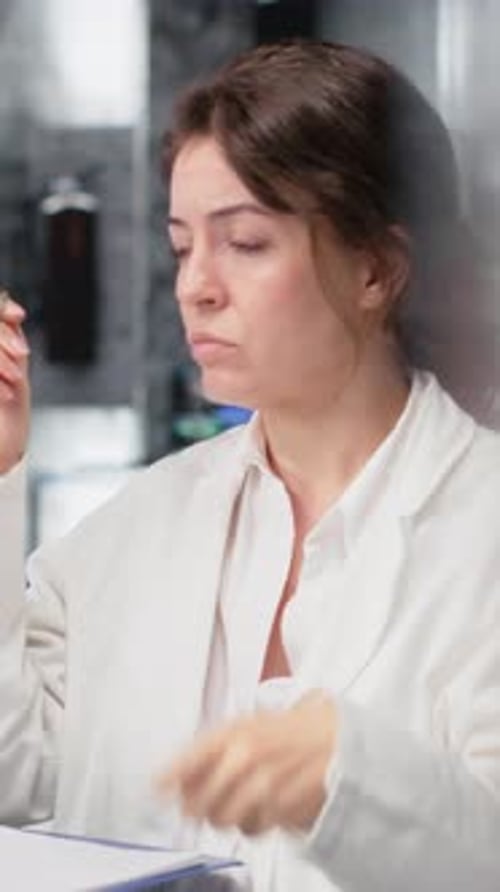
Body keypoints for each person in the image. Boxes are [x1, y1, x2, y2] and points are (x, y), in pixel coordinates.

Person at [0, 39, 499, 892]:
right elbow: (20, 774)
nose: (195, 286)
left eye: (245, 242)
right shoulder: (134, 528)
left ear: (378, 268)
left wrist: (354, 777)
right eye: (183, 244)